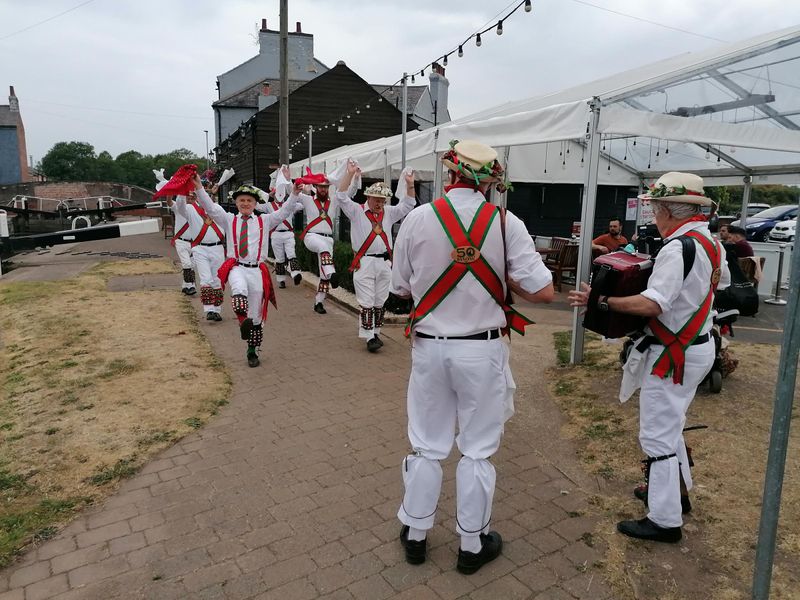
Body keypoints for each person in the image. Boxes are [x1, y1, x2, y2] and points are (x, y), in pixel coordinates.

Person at [391, 140, 554, 574]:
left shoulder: (416, 220)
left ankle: (417, 535)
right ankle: (471, 545)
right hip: (481, 350)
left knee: (427, 444)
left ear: (449, 174)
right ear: (492, 181)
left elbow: (401, 288)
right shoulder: (507, 223)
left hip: (429, 347)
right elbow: (544, 292)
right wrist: (498, 279)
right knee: (477, 449)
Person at [569, 172, 730, 543]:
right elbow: (715, 286)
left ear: (667, 211)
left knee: (657, 435)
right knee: (671, 426)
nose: (653, 216)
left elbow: (653, 304)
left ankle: (664, 520)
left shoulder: (676, 248)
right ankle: (678, 496)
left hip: (675, 352)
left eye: (655, 208)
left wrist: (602, 300)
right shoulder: (710, 242)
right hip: (699, 345)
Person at [193, 176, 301, 367]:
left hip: (257, 270)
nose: (245, 203)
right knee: (238, 291)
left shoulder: (265, 220)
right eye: (241, 200)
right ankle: (243, 321)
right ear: (235, 202)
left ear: (255, 204)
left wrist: (294, 194)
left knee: (256, 316)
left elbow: (285, 212)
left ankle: (252, 350)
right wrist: (200, 188)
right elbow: (210, 207)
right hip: (237, 266)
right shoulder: (228, 219)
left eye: (249, 200)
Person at [336, 162, 416, 352]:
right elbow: (340, 196)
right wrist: (349, 174)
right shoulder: (356, 211)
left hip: (384, 262)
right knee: (367, 301)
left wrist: (410, 185)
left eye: (383, 200)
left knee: (380, 300)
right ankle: (369, 337)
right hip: (364, 262)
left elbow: (409, 204)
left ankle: (376, 332)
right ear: (368, 197)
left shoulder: (388, 212)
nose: (380, 203)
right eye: (377, 199)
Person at [174, 187, 226, 321]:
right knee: (205, 278)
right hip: (200, 249)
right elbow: (180, 207)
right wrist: (181, 191)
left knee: (217, 279)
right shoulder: (190, 209)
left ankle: (217, 310)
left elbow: (227, 224)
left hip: (217, 248)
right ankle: (209, 310)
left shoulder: (218, 209)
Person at [292, 170, 339, 314]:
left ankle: (319, 302)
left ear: (329, 188)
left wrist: (355, 178)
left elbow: (350, 192)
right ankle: (332, 273)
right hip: (312, 237)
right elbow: (292, 192)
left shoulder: (335, 201)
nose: (323, 189)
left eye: (325, 187)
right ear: (316, 187)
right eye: (320, 186)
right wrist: (295, 182)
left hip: (328, 238)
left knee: (323, 274)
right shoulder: (308, 199)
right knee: (323, 250)